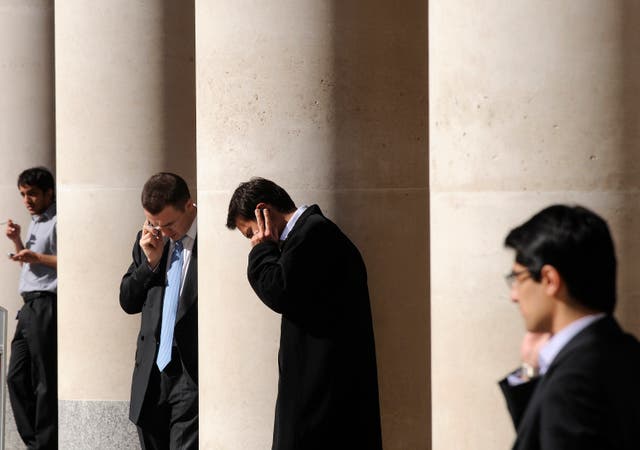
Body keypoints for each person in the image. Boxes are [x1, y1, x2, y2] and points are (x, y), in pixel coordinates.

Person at [226, 177, 382, 450]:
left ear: (263, 211)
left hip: (324, 397)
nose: (253, 241)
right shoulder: (310, 234)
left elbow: (278, 291)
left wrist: (262, 250)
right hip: (323, 393)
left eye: (250, 232)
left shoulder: (313, 234)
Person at [499, 204, 640, 450]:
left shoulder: (573, 383)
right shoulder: (626, 352)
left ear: (550, 280)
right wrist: (530, 372)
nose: (513, 295)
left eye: (518, 279)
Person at [120, 172, 198, 449]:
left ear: (189, 206)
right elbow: (128, 302)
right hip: (152, 373)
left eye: (169, 224)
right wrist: (149, 264)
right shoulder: (150, 243)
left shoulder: (210, 242)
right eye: (154, 223)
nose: (162, 232)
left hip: (191, 375)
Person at [4, 167, 58, 449]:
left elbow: (69, 260)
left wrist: (36, 256)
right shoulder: (36, 222)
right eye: (24, 194)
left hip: (47, 303)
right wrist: (17, 242)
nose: (27, 200)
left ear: (49, 193)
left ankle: (46, 443)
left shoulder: (58, 220)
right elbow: (33, 262)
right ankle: (34, 442)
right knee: (16, 376)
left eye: (33, 194)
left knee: (44, 377)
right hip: (28, 307)